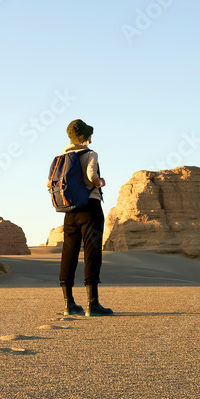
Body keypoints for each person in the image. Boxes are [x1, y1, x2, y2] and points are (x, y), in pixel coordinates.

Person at [58, 119, 113, 317]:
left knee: (69, 253)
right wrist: (100, 182)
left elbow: (50, 183)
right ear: (85, 137)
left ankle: (69, 303)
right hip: (90, 208)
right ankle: (93, 303)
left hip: (70, 211)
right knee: (92, 252)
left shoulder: (61, 157)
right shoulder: (90, 153)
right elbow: (91, 175)